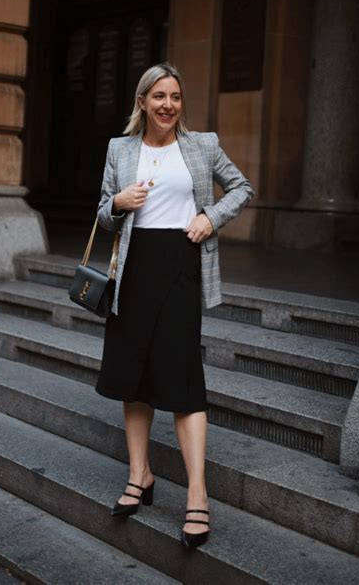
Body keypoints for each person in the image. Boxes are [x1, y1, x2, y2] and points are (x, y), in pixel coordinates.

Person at [95, 62, 254, 548]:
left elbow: (243, 188)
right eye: (158, 96)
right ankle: (139, 475)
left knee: (184, 380)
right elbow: (102, 215)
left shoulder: (202, 145)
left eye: (175, 96)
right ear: (142, 101)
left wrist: (210, 217)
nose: (168, 105)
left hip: (182, 263)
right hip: (134, 270)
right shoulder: (120, 149)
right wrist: (119, 202)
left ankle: (197, 496)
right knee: (133, 377)